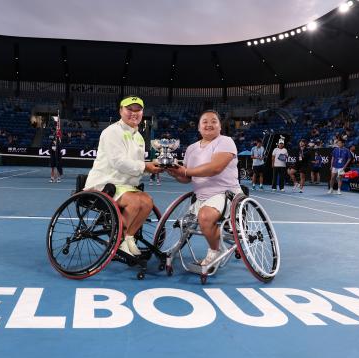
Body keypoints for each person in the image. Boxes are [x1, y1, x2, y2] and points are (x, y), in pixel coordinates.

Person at [84, 96, 162, 256]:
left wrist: (151, 166)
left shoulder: (139, 137)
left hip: (125, 186)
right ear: (121, 111)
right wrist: (145, 167)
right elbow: (118, 162)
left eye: (138, 110)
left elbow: (135, 165)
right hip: (104, 184)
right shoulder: (112, 132)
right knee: (134, 202)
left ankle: (129, 237)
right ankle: (117, 240)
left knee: (147, 202)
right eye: (129, 109)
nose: (134, 113)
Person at [166, 110, 242, 266]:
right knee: (195, 219)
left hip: (225, 194)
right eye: (205, 122)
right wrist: (174, 172)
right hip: (201, 197)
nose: (209, 124)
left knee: (205, 217)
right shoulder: (192, 148)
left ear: (220, 126)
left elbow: (215, 168)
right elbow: (186, 179)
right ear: (199, 128)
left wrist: (185, 171)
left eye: (214, 121)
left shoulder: (225, 141)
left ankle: (215, 251)